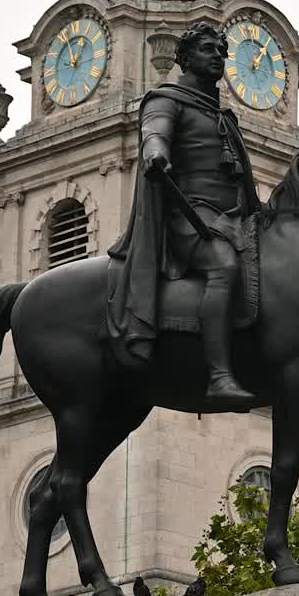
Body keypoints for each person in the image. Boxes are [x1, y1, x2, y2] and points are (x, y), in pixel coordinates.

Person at [106, 22, 258, 403]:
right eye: (209, 50)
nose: (218, 57)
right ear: (186, 57)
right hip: (190, 218)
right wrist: (155, 151)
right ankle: (219, 376)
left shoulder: (221, 113)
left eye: (222, 52)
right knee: (223, 266)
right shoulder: (166, 99)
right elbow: (155, 131)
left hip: (235, 217)